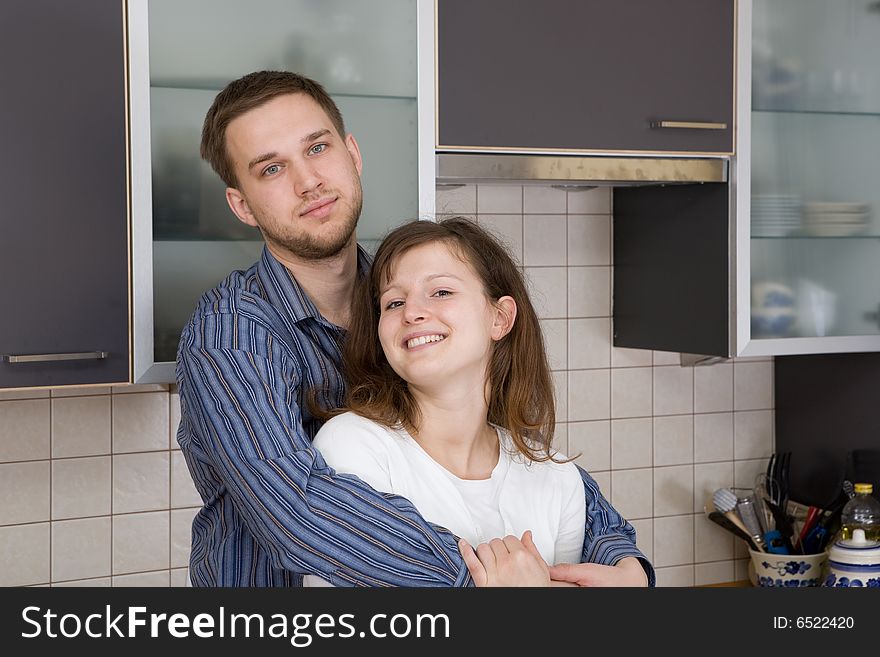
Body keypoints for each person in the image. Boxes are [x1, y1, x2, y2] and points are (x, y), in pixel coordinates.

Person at [176, 69, 654, 587]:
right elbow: (297, 510)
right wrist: (490, 580)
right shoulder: (228, 334)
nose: (308, 180)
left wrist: (625, 566)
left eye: (317, 148)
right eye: (271, 168)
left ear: (352, 154)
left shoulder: (402, 298)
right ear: (242, 205)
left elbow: (515, 459)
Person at [305, 217, 647, 587]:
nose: (411, 312)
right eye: (394, 302)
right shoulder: (353, 446)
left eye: (441, 292)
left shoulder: (557, 478)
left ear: (499, 318)